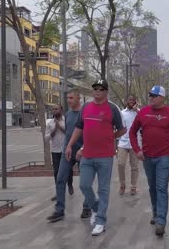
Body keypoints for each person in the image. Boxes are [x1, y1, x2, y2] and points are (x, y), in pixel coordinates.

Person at [66, 79, 126, 236]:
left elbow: (122, 129)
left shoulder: (113, 109)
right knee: (84, 186)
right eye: (95, 89)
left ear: (106, 91)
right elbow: (79, 127)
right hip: (87, 155)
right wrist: (70, 145)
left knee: (103, 189)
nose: (97, 91)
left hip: (105, 156)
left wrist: (110, 136)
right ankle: (96, 208)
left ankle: (100, 221)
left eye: (101, 89)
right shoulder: (86, 107)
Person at [129, 85, 169, 236]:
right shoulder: (143, 113)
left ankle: (161, 221)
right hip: (147, 156)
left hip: (164, 157)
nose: (151, 98)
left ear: (162, 98)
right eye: (150, 95)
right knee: (152, 187)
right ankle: (155, 212)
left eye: (154, 95)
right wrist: (137, 150)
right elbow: (132, 132)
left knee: (161, 187)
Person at [47, 89, 90, 222]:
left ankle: (87, 207)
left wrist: (83, 149)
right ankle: (59, 210)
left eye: (71, 98)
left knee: (85, 183)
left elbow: (89, 135)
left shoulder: (85, 114)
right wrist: (66, 147)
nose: (69, 100)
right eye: (68, 98)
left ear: (79, 99)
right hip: (68, 151)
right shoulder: (69, 114)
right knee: (60, 178)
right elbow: (68, 134)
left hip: (83, 152)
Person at [117, 94, 140, 195]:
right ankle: (122, 185)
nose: (131, 101)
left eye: (133, 100)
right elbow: (118, 127)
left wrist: (137, 110)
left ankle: (133, 186)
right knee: (120, 164)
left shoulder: (138, 113)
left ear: (136, 101)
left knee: (134, 166)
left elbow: (144, 119)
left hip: (134, 144)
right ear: (126, 101)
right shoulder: (121, 113)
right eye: (130, 99)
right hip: (122, 143)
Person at [45, 105, 66, 201]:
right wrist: (53, 130)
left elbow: (69, 133)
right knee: (57, 172)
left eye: (56, 109)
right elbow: (46, 138)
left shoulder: (66, 120)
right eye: (53, 109)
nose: (54, 110)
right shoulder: (49, 123)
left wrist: (60, 127)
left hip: (66, 150)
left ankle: (69, 184)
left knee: (67, 171)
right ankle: (58, 192)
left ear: (61, 110)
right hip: (55, 150)